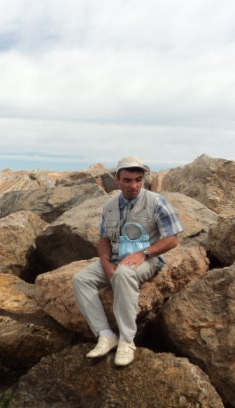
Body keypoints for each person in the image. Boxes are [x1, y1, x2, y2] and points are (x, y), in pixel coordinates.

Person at [72, 156, 183, 366]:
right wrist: (105, 262)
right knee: (81, 279)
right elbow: (104, 239)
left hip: (148, 259)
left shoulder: (157, 202)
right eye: (128, 180)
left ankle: (126, 340)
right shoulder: (109, 206)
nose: (134, 185)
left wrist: (144, 253)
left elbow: (172, 239)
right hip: (115, 258)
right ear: (117, 180)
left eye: (138, 180)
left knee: (123, 274)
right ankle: (106, 335)